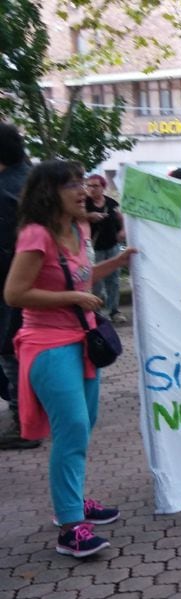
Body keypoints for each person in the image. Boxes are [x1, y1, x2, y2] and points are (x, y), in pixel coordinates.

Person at [5, 160, 136, 556]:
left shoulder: (80, 229)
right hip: (47, 345)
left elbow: (78, 277)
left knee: (83, 425)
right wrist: (73, 299)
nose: (83, 189)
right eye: (72, 184)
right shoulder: (35, 235)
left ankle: (75, 501)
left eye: (82, 181)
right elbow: (14, 293)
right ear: (50, 192)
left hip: (82, 341)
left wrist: (115, 263)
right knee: (74, 427)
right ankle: (70, 526)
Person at [0, 123, 39, 450]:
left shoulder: (4, 190)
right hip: (52, 286)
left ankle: (24, 420)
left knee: (12, 355)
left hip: (14, 288)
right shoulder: (39, 181)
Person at [84, 175, 126, 324]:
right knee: (95, 280)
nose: (91, 189)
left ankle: (114, 310)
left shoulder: (110, 202)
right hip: (94, 248)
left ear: (103, 187)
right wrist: (89, 216)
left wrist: (122, 230)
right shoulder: (84, 203)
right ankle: (97, 312)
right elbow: (75, 218)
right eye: (89, 185)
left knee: (113, 280)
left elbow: (120, 217)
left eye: (95, 186)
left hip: (112, 245)